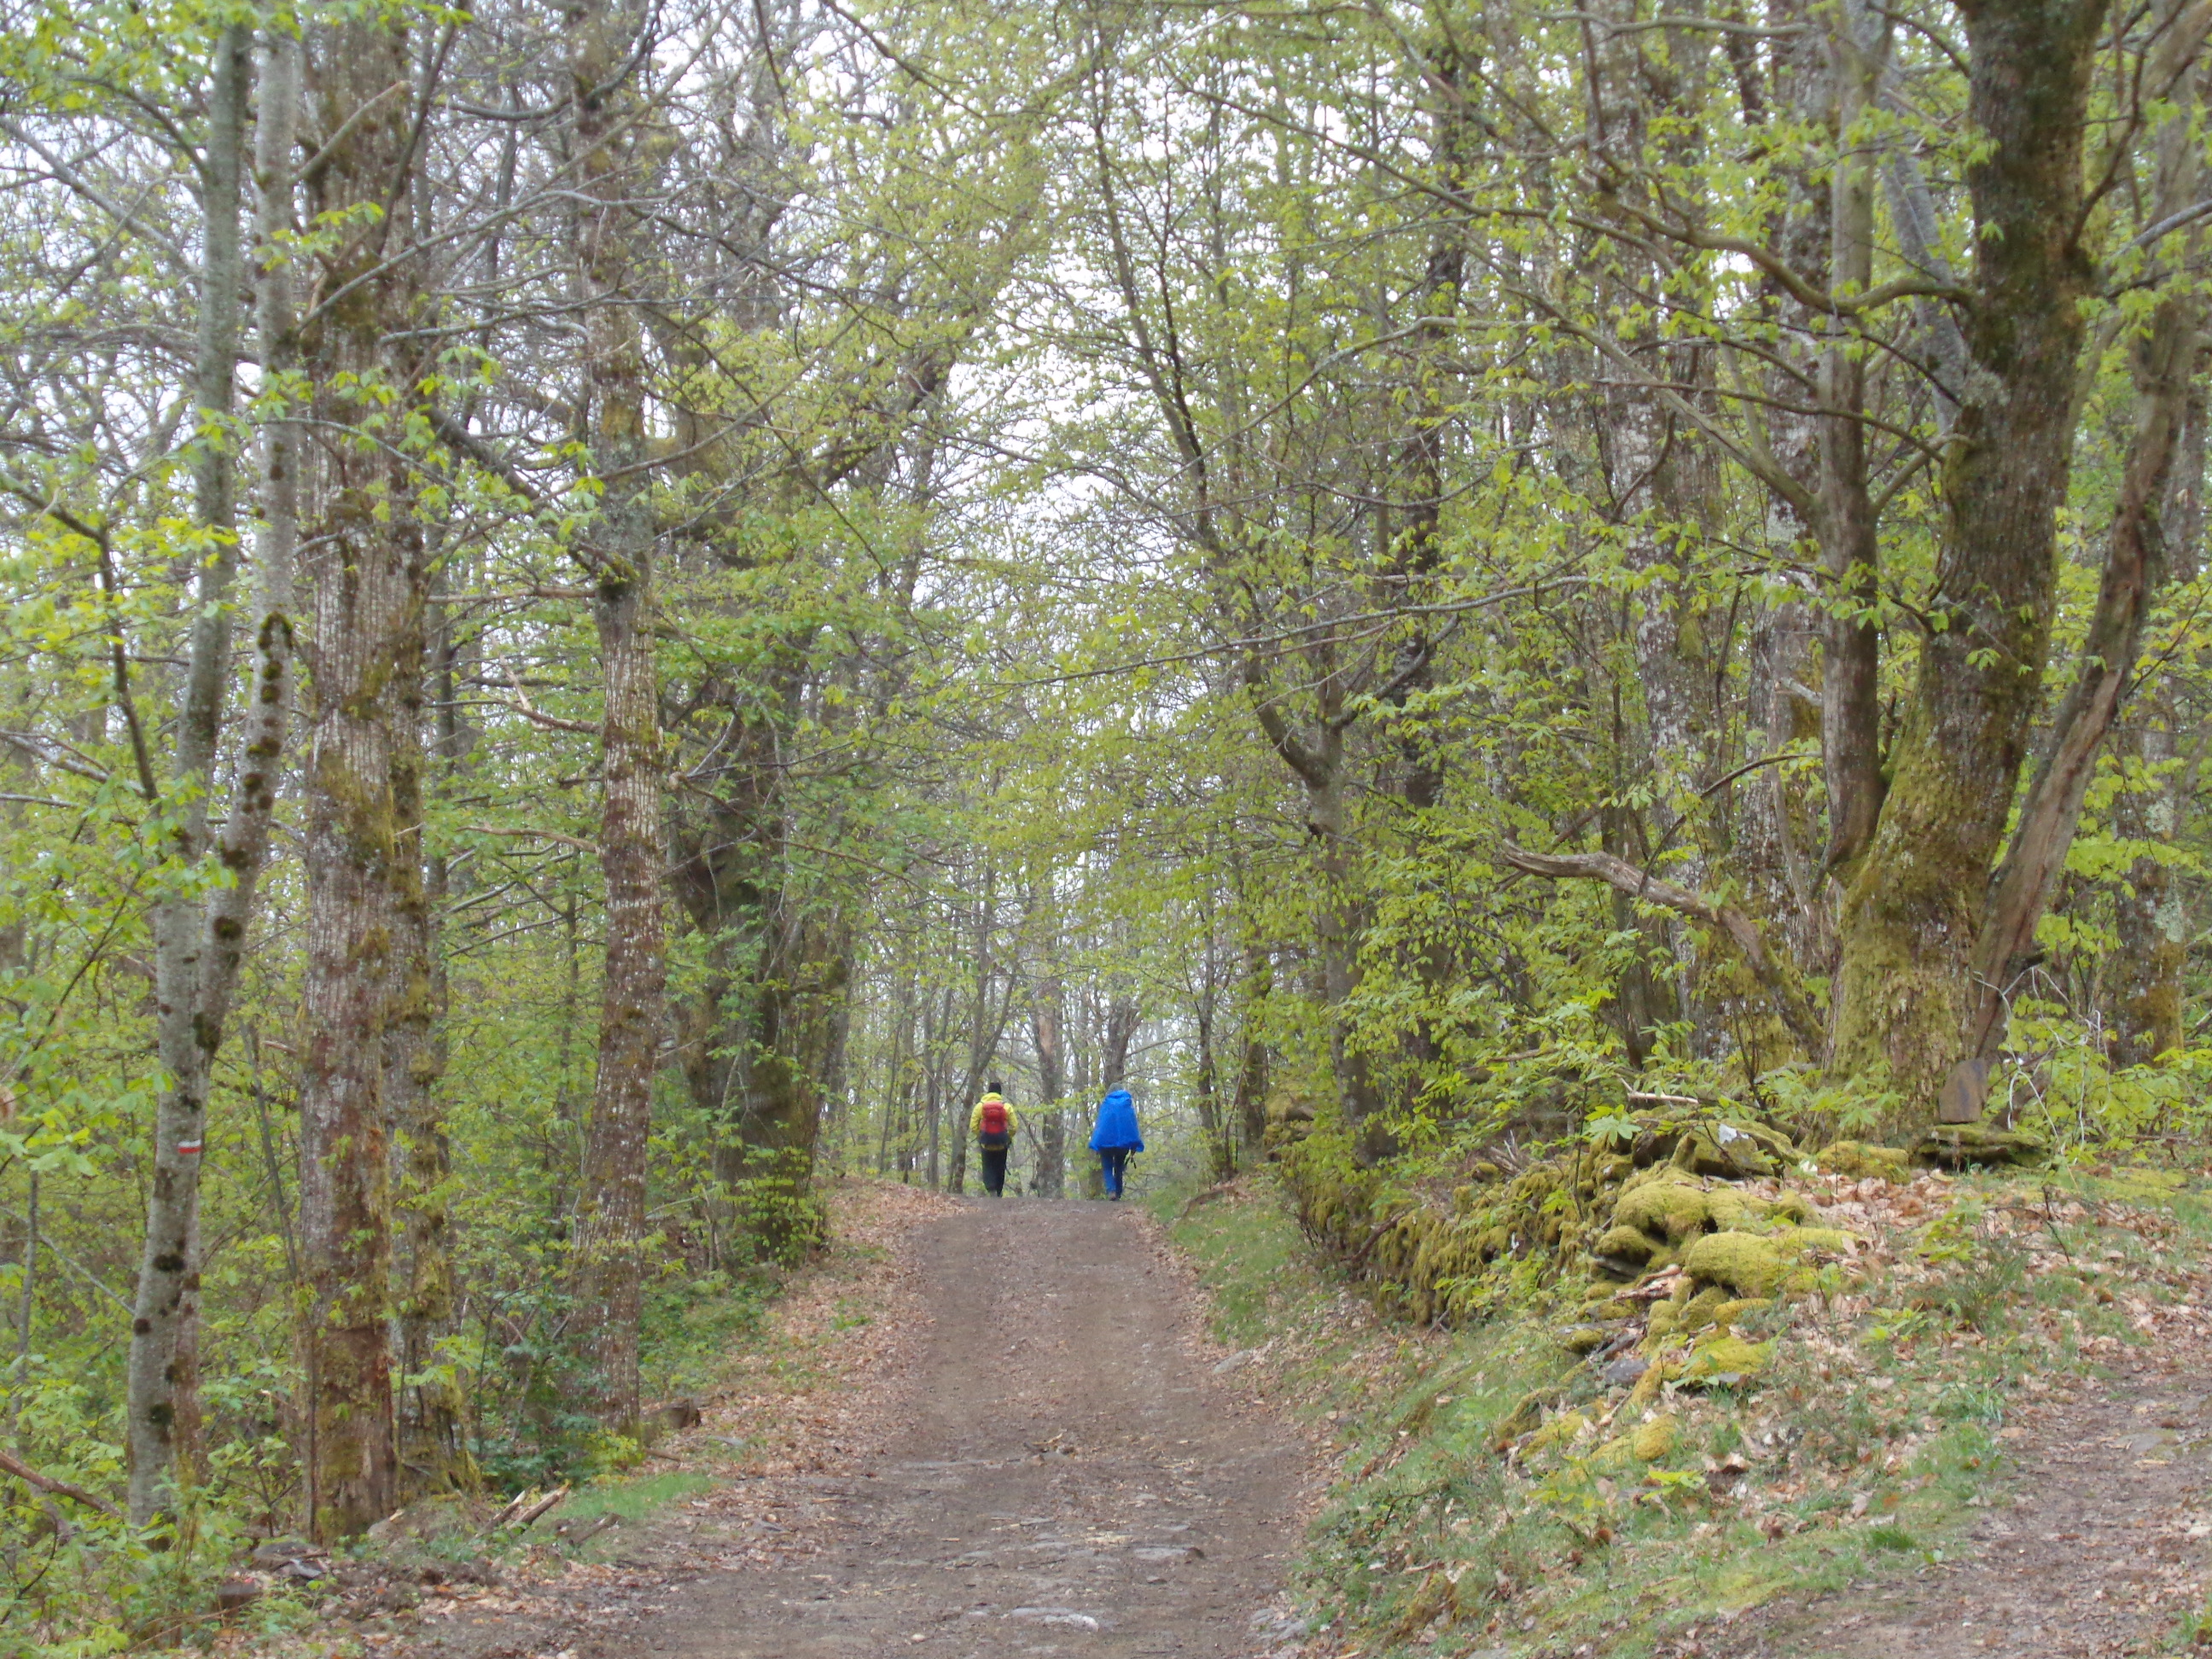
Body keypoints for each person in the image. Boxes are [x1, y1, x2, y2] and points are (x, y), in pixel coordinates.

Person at [1088, 1086, 1143, 1201]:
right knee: (1119, 1167)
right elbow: (1132, 1126)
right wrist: (1134, 1145)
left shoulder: (1106, 1104)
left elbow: (1100, 1125)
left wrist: (1097, 1142)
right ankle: (1118, 1192)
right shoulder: (1127, 1105)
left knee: (1107, 1167)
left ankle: (1111, 1191)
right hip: (1123, 1143)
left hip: (1106, 1142)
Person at [969, 1082, 1019, 1197]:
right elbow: (1014, 1126)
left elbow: (973, 1126)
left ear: (988, 1091)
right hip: (1002, 1143)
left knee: (988, 1165)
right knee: (1000, 1166)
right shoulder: (1006, 1107)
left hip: (986, 1143)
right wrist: (1008, 1137)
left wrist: (980, 1136)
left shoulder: (980, 1106)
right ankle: (999, 1190)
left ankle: (991, 1188)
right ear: (1000, 1093)